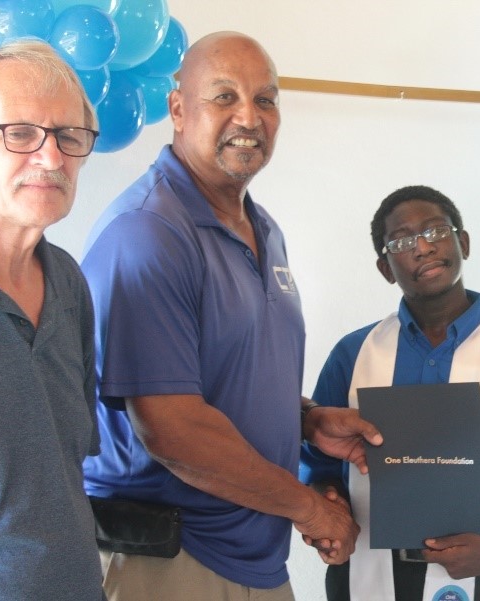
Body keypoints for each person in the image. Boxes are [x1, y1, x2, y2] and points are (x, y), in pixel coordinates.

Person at [81, 32, 381, 601]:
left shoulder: (264, 229)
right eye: (224, 97)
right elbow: (173, 429)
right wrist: (311, 511)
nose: (249, 116)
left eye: (265, 100)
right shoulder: (147, 233)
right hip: (169, 561)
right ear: (177, 110)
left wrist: (307, 421)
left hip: (254, 559)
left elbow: (220, 379)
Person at [301, 184, 480, 601]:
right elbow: (317, 466)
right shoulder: (353, 354)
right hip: (364, 571)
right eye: (402, 241)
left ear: (464, 242)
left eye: (436, 231)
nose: (422, 247)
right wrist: (326, 512)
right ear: (386, 268)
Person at [0, 40, 103, 600]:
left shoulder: (68, 282)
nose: (51, 159)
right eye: (19, 132)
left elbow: (64, 474)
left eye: (69, 136)